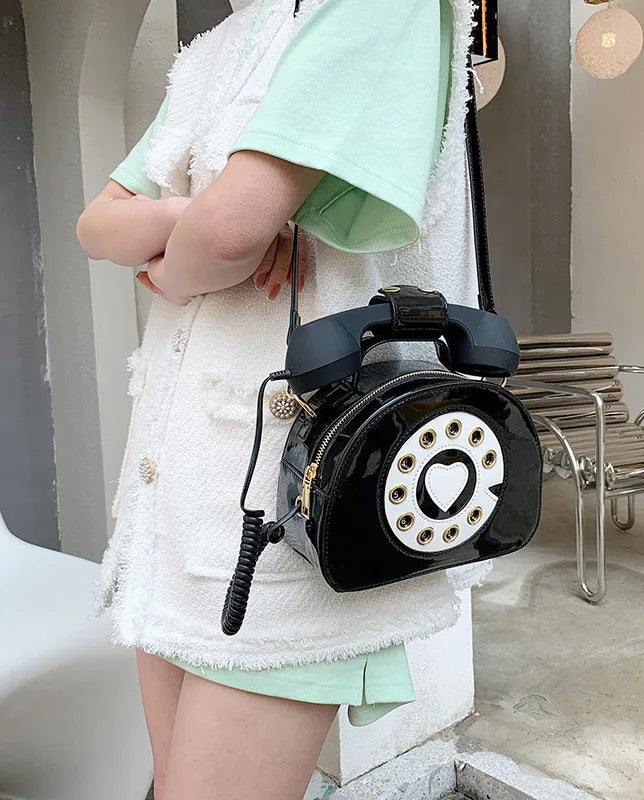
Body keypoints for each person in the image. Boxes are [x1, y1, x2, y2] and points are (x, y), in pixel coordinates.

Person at [77, 1, 484, 798]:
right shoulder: (213, 51)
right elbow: (98, 224)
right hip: (175, 499)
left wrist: (175, 257)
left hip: (287, 507)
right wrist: (186, 220)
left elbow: (231, 231)